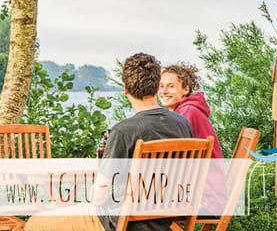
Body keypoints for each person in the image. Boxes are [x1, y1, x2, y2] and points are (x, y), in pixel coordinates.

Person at [25, 53, 194, 231]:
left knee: (35, 224)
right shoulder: (182, 124)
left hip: (123, 224)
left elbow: (99, 195)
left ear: (126, 89)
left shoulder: (124, 131)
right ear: (156, 86)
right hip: (165, 222)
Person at [158, 63, 226, 215]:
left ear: (186, 89)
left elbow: (176, 161)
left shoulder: (187, 113)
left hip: (206, 199)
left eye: (170, 86)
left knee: (140, 207)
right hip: (206, 193)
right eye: (161, 86)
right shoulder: (185, 110)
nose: (163, 91)